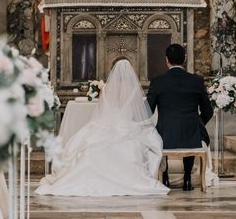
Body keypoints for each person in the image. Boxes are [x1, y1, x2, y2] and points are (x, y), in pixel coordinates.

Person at [35, 60, 170, 197]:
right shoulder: (134, 89)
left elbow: (101, 110)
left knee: (85, 148)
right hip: (127, 127)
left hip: (105, 126)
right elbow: (136, 112)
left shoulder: (106, 88)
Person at [146, 44, 213, 191]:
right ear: (184, 59)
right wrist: (197, 123)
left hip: (166, 135)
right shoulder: (196, 81)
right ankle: (187, 178)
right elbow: (208, 111)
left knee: (155, 136)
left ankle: (166, 179)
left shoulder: (158, 81)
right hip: (192, 135)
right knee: (191, 132)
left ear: (167, 60)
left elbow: (147, 111)